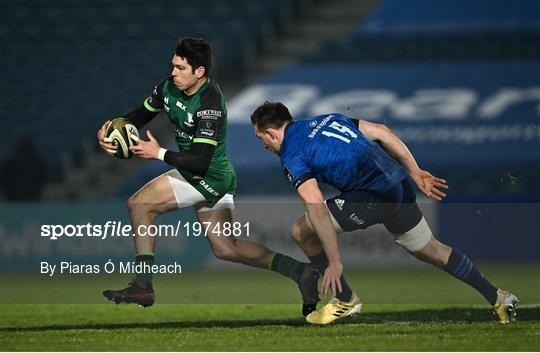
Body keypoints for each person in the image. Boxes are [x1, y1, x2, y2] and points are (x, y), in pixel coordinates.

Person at [97, 38, 319, 315]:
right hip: (205, 173)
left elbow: (200, 159)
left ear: (199, 72)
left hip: (207, 174)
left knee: (139, 205)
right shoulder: (168, 87)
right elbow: (139, 116)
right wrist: (113, 131)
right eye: (173, 66)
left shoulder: (210, 103)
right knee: (226, 248)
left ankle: (143, 284)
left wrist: (158, 153)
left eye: (180, 68)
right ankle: (301, 272)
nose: (173, 72)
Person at [250, 101, 519, 325]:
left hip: (372, 197)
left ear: (272, 133)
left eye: (261, 139)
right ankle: (498, 297)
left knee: (301, 231)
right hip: (399, 185)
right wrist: (415, 172)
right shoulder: (329, 118)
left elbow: (316, 204)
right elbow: (381, 131)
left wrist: (334, 261)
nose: (264, 145)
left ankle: (344, 299)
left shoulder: (291, 154)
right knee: (430, 249)